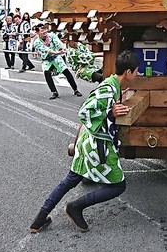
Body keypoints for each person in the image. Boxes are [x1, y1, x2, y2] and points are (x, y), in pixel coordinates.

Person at [29, 49, 139, 234]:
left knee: (69, 180)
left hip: (86, 143)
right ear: (128, 72)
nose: (138, 74)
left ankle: (39, 220)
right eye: (137, 71)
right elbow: (84, 112)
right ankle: (76, 206)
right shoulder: (108, 89)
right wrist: (109, 113)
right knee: (118, 185)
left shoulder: (112, 85)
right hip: (97, 146)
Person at [32, 24, 82, 99]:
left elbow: (58, 43)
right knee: (47, 73)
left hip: (56, 58)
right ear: (37, 32)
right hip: (47, 59)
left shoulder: (51, 35)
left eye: (45, 29)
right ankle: (54, 92)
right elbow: (46, 50)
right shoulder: (37, 42)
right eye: (42, 30)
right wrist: (56, 52)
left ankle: (75, 89)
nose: (45, 31)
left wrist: (63, 49)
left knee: (66, 72)